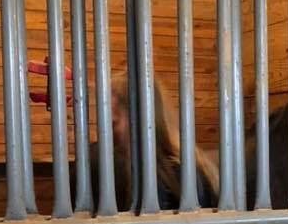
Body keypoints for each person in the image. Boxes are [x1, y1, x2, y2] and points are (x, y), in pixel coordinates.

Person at [91, 72, 219, 212]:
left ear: (137, 118)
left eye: (113, 123)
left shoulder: (155, 176)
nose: (106, 134)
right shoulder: (194, 163)